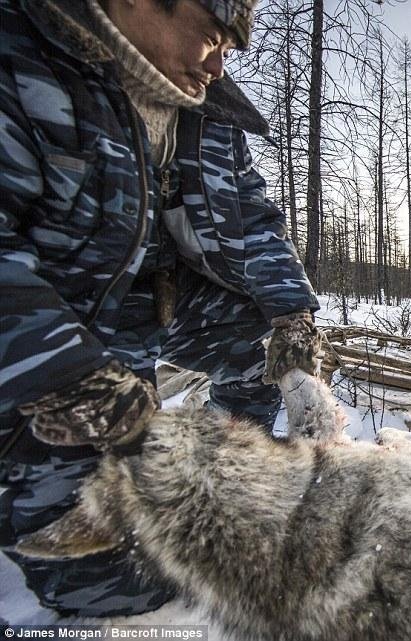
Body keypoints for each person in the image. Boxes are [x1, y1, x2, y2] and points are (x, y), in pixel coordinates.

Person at [0, 0, 321, 617]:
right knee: (119, 577)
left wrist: (292, 316)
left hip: (152, 309)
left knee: (261, 345)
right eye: (211, 38)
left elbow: (252, 217)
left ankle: (236, 475)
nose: (219, 66)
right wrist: (68, 379)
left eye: (231, 51)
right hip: (46, 342)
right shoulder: (24, 57)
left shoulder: (206, 112)